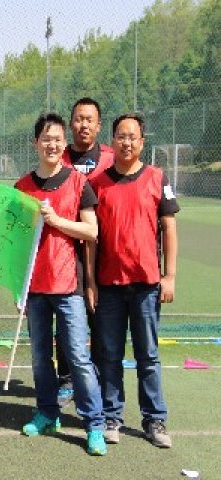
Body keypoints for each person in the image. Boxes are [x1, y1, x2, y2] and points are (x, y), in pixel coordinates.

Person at [15, 113, 106, 456]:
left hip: (68, 287)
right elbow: (15, 241)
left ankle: (94, 424)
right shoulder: (22, 187)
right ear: (35, 143)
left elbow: (91, 231)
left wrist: (56, 221)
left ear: (63, 143)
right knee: (40, 357)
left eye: (57, 139)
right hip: (35, 288)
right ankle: (47, 413)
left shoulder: (78, 183)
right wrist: (18, 286)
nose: (51, 145)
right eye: (45, 139)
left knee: (78, 357)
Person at [87, 113, 179, 449]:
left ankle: (154, 419)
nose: (127, 142)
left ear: (142, 142)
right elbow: (91, 239)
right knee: (109, 355)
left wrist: (169, 276)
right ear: (112, 140)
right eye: (121, 136)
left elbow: (169, 228)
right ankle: (111, 416)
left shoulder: (157, 177)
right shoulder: (97, 182)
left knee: (148, 356)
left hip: (146, 285)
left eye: (133, 137)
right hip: (109, 284)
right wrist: (90, 282)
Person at [55, 97, 114, 408]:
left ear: (98, 125)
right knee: (66, 321)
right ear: (70, 123)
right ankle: (66, 380)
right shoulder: (59, 157)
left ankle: (99, 381)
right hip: (68, 253)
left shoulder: (111, 158)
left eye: (89, 119)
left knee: (100, 321)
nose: (83, 125)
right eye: (78, 119)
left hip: (105, 253)